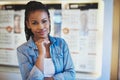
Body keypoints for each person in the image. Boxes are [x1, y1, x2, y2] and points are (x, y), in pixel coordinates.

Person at [17, 1, 75, 80]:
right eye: (34, 23)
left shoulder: (61, 44)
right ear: (28, 24)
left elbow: (71, 74)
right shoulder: (22, 50)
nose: (41, 27)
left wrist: (52, 79)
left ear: (49, 21)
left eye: (44, 21)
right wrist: (41, 54)